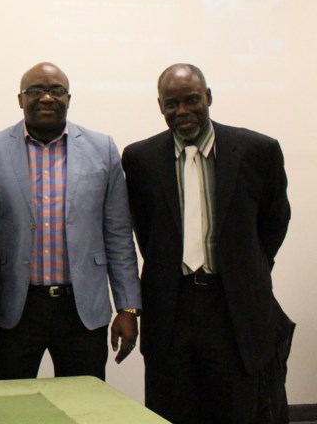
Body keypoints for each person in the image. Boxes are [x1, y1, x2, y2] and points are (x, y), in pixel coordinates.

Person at [122, 63, 291, 423]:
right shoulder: (140, 159)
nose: (182, 111)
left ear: (209, 97)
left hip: (233, 311)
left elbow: (274, 223)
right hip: (171, 309)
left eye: (192, 100)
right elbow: (144, 229)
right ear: (160, 107)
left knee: (236, 411)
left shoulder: (257, 151)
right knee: (171, 411)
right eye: (172, 104)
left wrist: (244, 267)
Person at [0, 62, 141, 381]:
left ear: (69, 98)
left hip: (81, 309)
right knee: (9, 408)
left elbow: (118, 234)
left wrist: (128, 307)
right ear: (20, 100)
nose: (46, 98)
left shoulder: (102, 149)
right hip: (14, 309)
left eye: (56, 91)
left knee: (83, 406)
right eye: (35, 91)